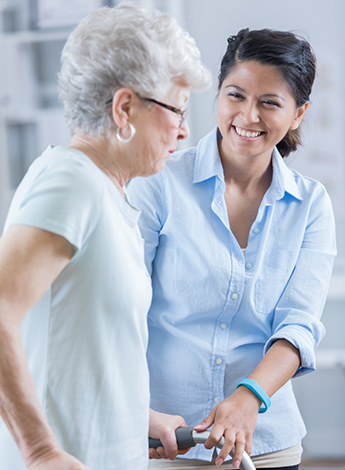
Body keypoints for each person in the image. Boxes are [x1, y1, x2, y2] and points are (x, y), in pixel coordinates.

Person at [0, 4, 211, 470]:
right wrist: (39, 451)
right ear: (124, 108)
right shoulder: (72, 181)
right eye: (176, 110)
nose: (184, 130)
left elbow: (85, 349)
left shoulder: (106, 192)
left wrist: (139, 416)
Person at [128, 28, 337, 470]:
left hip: (266, 443)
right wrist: (130, 409)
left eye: (270, 102)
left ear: (298, 114)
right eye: (235, 95)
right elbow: (122, 306)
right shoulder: (160, 183)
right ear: (217, 94)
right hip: (166, 436)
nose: (248, 115)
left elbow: (298, 324)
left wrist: (249, 397)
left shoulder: (311, 204)